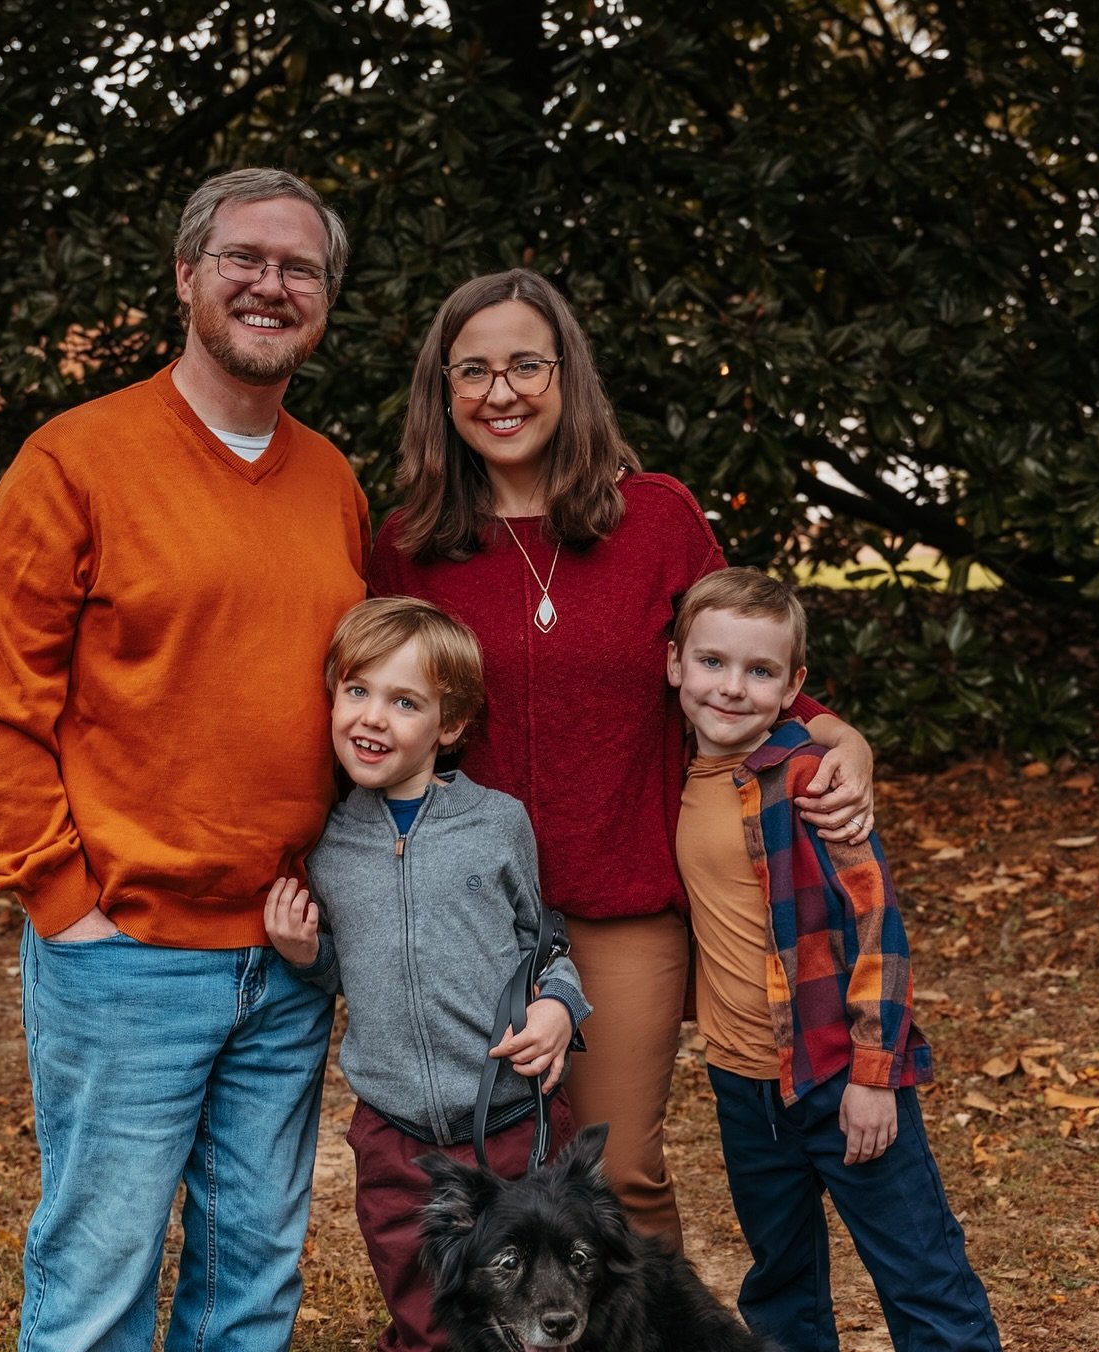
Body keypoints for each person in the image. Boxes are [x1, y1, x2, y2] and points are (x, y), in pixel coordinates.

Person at [0, 168, 371, 1352]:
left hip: (284, 952)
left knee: (254, 1255)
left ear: (325, 301)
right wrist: (62, 893)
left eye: (301, 269)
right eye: (245, 260)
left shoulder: (329, 479)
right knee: (103, 1256)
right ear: (187, 277)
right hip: (124, 946)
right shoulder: (79, 459)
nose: (273, 286)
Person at [368, 268, 876, 1253]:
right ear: (442, 391)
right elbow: (372, 711)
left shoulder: (655, 518)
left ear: (568, 376)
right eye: (472, 370)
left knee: (617, 1169)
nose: (500, 390)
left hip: (622, 898)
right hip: (465, 910)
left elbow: (737, 665)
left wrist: (836, 734)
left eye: (525, 364)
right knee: (491, 1176)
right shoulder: (409, 544)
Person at [668, 566, 1040, 1352]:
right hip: (747, 1086)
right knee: (780, 1283)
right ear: (675, 666)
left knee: (924, 1281)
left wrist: (875, 1076)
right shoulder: (674, 767)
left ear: (795, 686)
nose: (730, 687)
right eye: (711, 663)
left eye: (757, 670)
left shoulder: (809, 780)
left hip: (844, 1081)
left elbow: (878, 930)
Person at [264, 596, 589, 1352]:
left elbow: (546, 947)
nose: (372, 716)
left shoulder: (494, 822)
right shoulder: (326, 837)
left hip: (510, 1141)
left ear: (447, 724)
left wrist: (555, 1010)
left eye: (403, 700)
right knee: (423, 1331)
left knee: (521, 1329)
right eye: (355, 691)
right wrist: (303, 953)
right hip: (400, 1137)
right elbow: (344, 976)